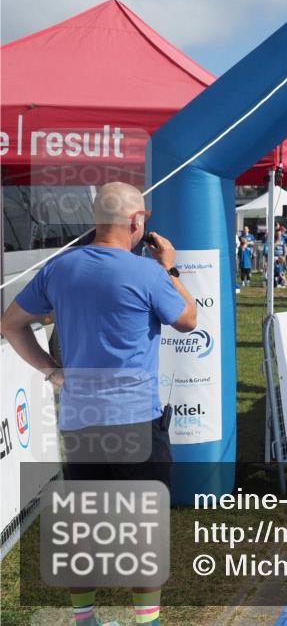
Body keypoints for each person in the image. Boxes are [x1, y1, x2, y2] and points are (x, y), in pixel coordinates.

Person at [1, 182, 197, 626]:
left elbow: (11, 324)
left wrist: (52, 370)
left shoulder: (60, 268)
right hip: (135, 421)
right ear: (137, 221)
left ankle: (84, 618)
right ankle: (146, 621)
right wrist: (171, 269)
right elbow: (188, 320)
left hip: (80, 419)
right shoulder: (147, 273)